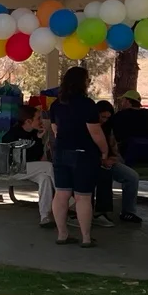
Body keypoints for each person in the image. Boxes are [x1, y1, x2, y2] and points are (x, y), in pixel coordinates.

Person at [49, 67, 109, 247]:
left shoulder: (56, 104)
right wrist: (104, 150)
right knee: (83, 196)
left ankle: (62, 234)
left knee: (61, 194)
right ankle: (86, 238)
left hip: (60, 152)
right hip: (83, 154)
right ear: (83, 82)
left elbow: (55, 130)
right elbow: (95, 132)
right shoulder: (87, 104)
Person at [2, 104, 53, 227]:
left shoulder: (35, 135)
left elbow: (38, 159)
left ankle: (45, 216)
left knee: (45, 178)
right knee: (48, 167)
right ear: (28, 121)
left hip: (29, 170)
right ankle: (68, 201)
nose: (41, 121)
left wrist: (40, 140)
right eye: (38, 119)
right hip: (14, 170)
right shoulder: (12, 134)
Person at [93, 100, 143, 226]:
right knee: (104, 175)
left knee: (132, 177)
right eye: (102, 116)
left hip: (109, 160)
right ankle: (101, 212)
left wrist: (112, 159)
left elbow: (114, 149)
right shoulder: (89, 126)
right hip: (92, 162)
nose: (104, 120)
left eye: (107, 117)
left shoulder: (109, 129)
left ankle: (128, 211)